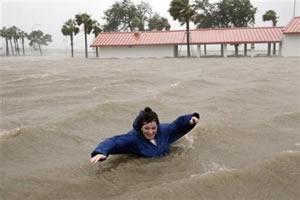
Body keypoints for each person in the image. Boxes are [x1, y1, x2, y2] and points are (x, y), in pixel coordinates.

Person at [90, 107, 200, 163]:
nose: (151, 132)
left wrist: (191, 119)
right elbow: (114, 142)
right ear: (140, 128)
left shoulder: (164, 130)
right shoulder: (133, 139)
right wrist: (101, 152)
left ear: (158, 126)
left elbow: (177, 125)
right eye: (146, 128)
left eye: (153, 128)